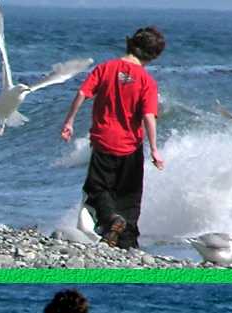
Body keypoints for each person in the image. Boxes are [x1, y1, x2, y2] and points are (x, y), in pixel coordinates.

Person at [59, 26, 166, 250]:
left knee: (97, 189)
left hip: (103, 142)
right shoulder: (146, 81)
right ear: (151, 55)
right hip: (131, 147)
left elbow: (82, 94)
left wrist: (69, 121)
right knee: (129, 197)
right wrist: (155, 149)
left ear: (130, 44)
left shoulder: (105, 68)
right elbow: (148, 116)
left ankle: (111, 222)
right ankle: (127, 244)